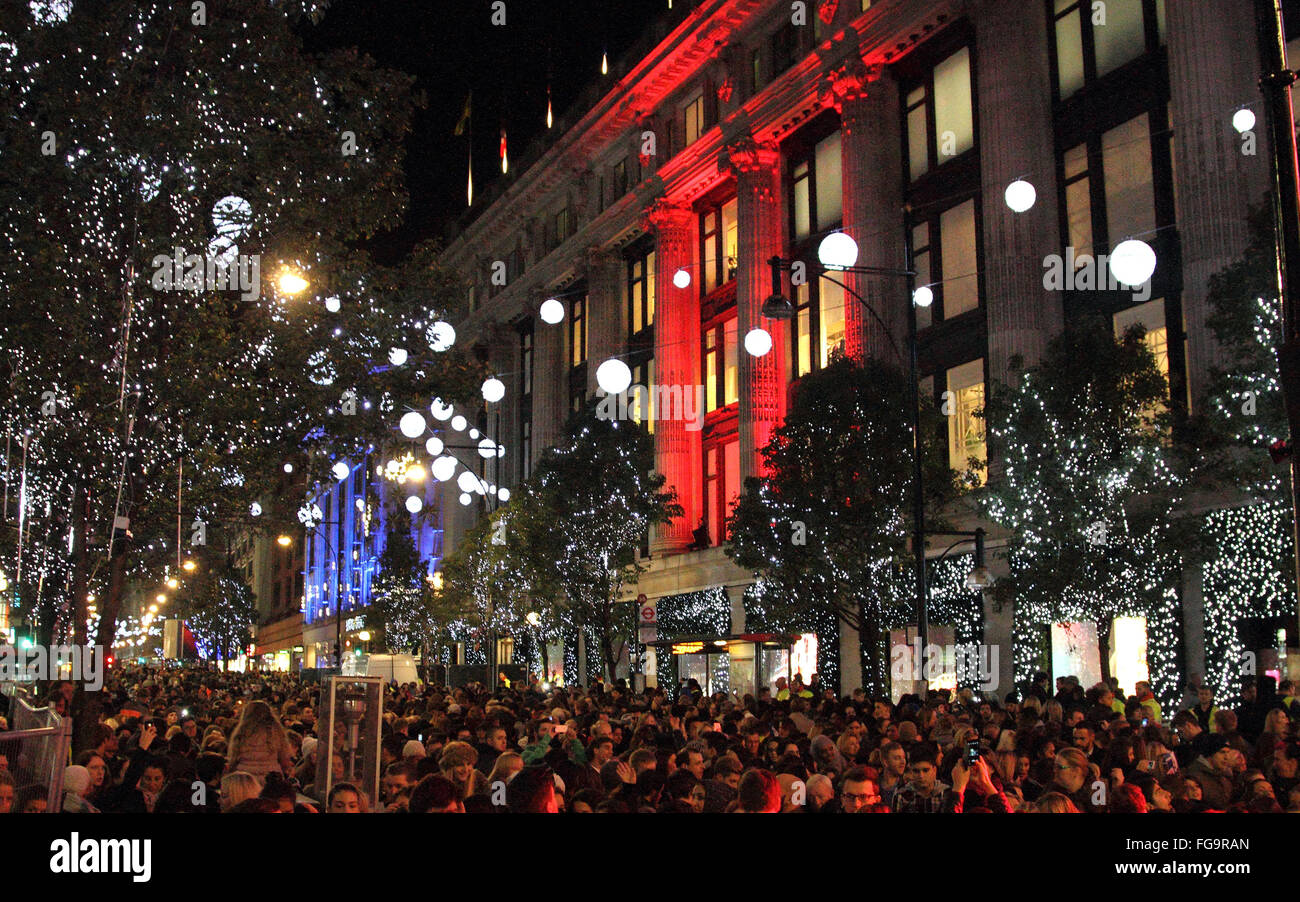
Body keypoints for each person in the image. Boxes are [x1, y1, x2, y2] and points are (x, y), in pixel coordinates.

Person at [225, 699, 294, 783]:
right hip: (271, 778)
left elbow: (234, 756)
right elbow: (284, 755)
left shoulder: (242, 731)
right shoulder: (276, 730)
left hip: (245, 778)